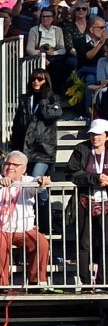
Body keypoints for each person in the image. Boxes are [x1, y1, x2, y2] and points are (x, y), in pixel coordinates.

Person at [0, 151, 52, 288]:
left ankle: (36, 282)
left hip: (24, 229)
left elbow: (37, 181)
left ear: (24, 169)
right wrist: (1, 182)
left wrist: (43, 180)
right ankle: (1, 285)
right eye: (8, 163)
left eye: (15, 165)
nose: (10, 167)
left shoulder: (27, 180)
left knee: (42, 243)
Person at [65, 119, 108, 286]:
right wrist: (94, 179)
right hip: (85, 200)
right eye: (92, 134)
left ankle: (103, 281)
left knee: (105, 242)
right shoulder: (81, 149)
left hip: (106, 202)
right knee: (84, 242)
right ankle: (84, 281)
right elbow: (72, 173)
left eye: (98, 134)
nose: (95, 137)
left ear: (106, 136)